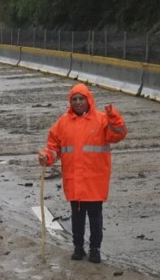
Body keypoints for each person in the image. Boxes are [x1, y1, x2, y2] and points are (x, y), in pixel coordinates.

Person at [37, 83, 127, 264]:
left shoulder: (101, 120)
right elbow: (53, 147)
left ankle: (95, 249)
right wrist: (47, 156)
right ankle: (78, 247)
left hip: (95, 180)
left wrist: (114, 117)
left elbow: (118, 135)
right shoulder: (63, 123)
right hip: (75, 179)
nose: (78, 103)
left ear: (88, 100)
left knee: (95, 217)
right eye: (74, 99)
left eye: (81, 99)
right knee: (77, 216)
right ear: (70, 102)